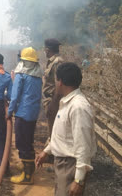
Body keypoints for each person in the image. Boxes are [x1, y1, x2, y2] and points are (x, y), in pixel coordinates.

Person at [35, 62, 97, 196]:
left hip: (70, 165)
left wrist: (79, 180)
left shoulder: (78, 107)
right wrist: (47, 151)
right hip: (63, 163)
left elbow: (83, 145)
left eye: (56, 79)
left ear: (60, 82)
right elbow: (63, 135)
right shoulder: (67, 102)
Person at [6, 47, 43, 185]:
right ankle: (27, 166)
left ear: (23, 61)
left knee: (22, 143)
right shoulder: (38, 76)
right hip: (32, 113)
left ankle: (27, 176)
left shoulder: (21, 75)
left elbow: (14, 97)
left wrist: (9, 112)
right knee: (28, 140)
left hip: (22, 113)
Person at [43, 38, 64, 137]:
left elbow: (58, 85)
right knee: (51, 129)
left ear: (47, 50)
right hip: (50, 99)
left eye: (45, 49)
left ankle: (52, 151)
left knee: (53, 132)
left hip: (53, 100)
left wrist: (53, 104)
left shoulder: (57, 62)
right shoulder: (52, 61)